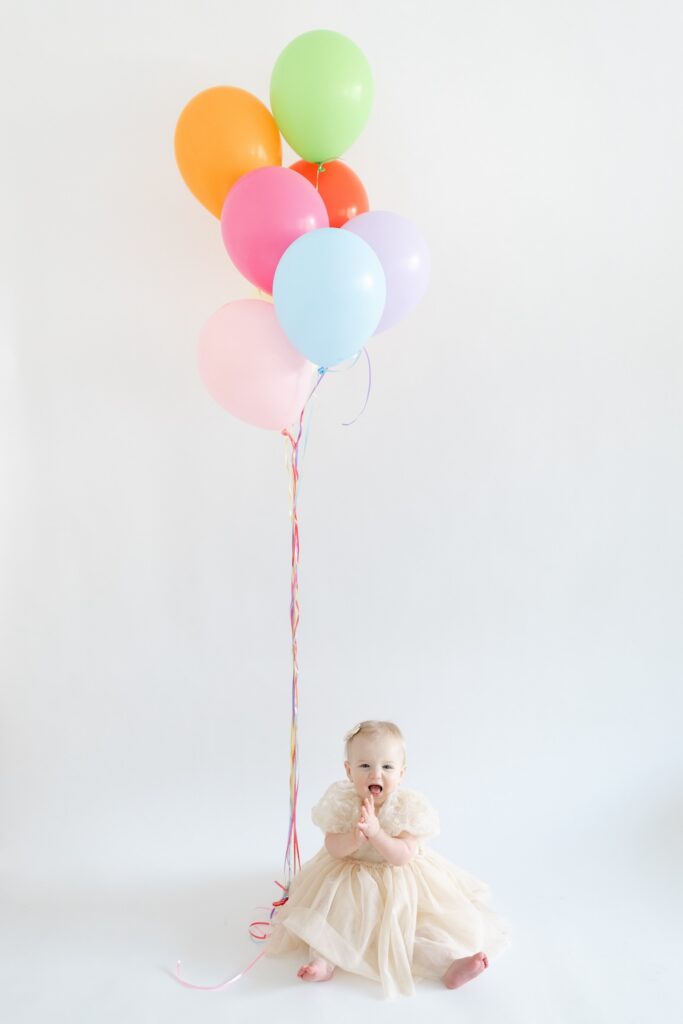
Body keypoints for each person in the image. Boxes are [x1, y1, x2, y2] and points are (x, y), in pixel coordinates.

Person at [264, 720, 510, 998]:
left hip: (400, 883)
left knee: (409, 930)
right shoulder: (342, 802)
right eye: (365, 766)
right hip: (350, 879)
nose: (376, 774)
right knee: (334, 917)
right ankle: (324, 960)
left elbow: (402, 856)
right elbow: (332, 847)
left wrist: (377, 833)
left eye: (387, 767)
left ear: (402, 773)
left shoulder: (407, 808)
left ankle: (449, 963)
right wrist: (356, 838)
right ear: (349, 770)